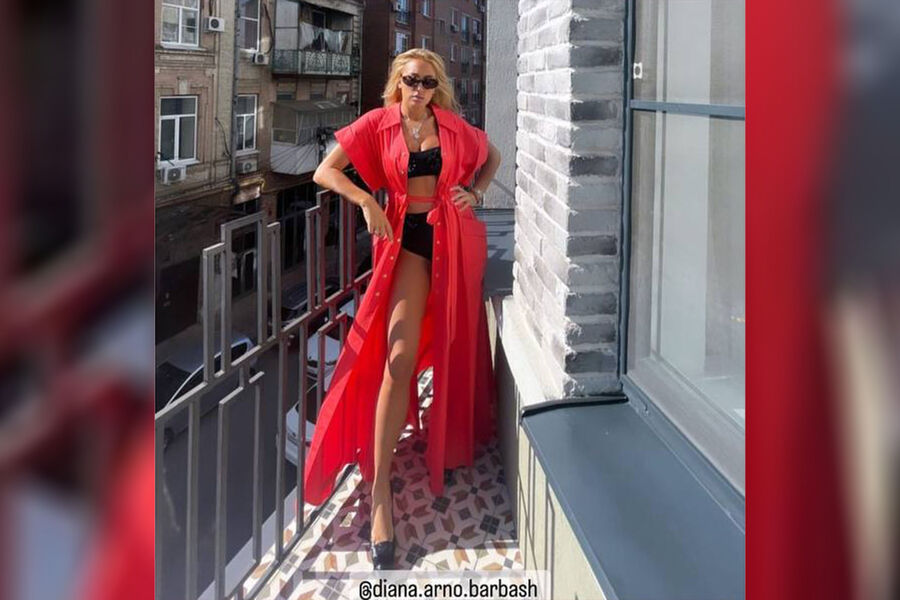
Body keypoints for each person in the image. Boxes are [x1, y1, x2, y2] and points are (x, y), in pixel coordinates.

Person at [308, 48, 502, 569]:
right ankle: (380, 494)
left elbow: (493, 156)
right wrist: (368, 202)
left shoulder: (452, 126)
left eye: (429, 83)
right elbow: (325, 172)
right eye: (412, 80)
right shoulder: (378, 123)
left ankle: (451, 441)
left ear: (438, 88)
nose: (420, 90)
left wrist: (476, 193)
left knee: (457, 342)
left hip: (451, 239)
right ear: (398, 81)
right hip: (406, 245)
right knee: (397, 358)